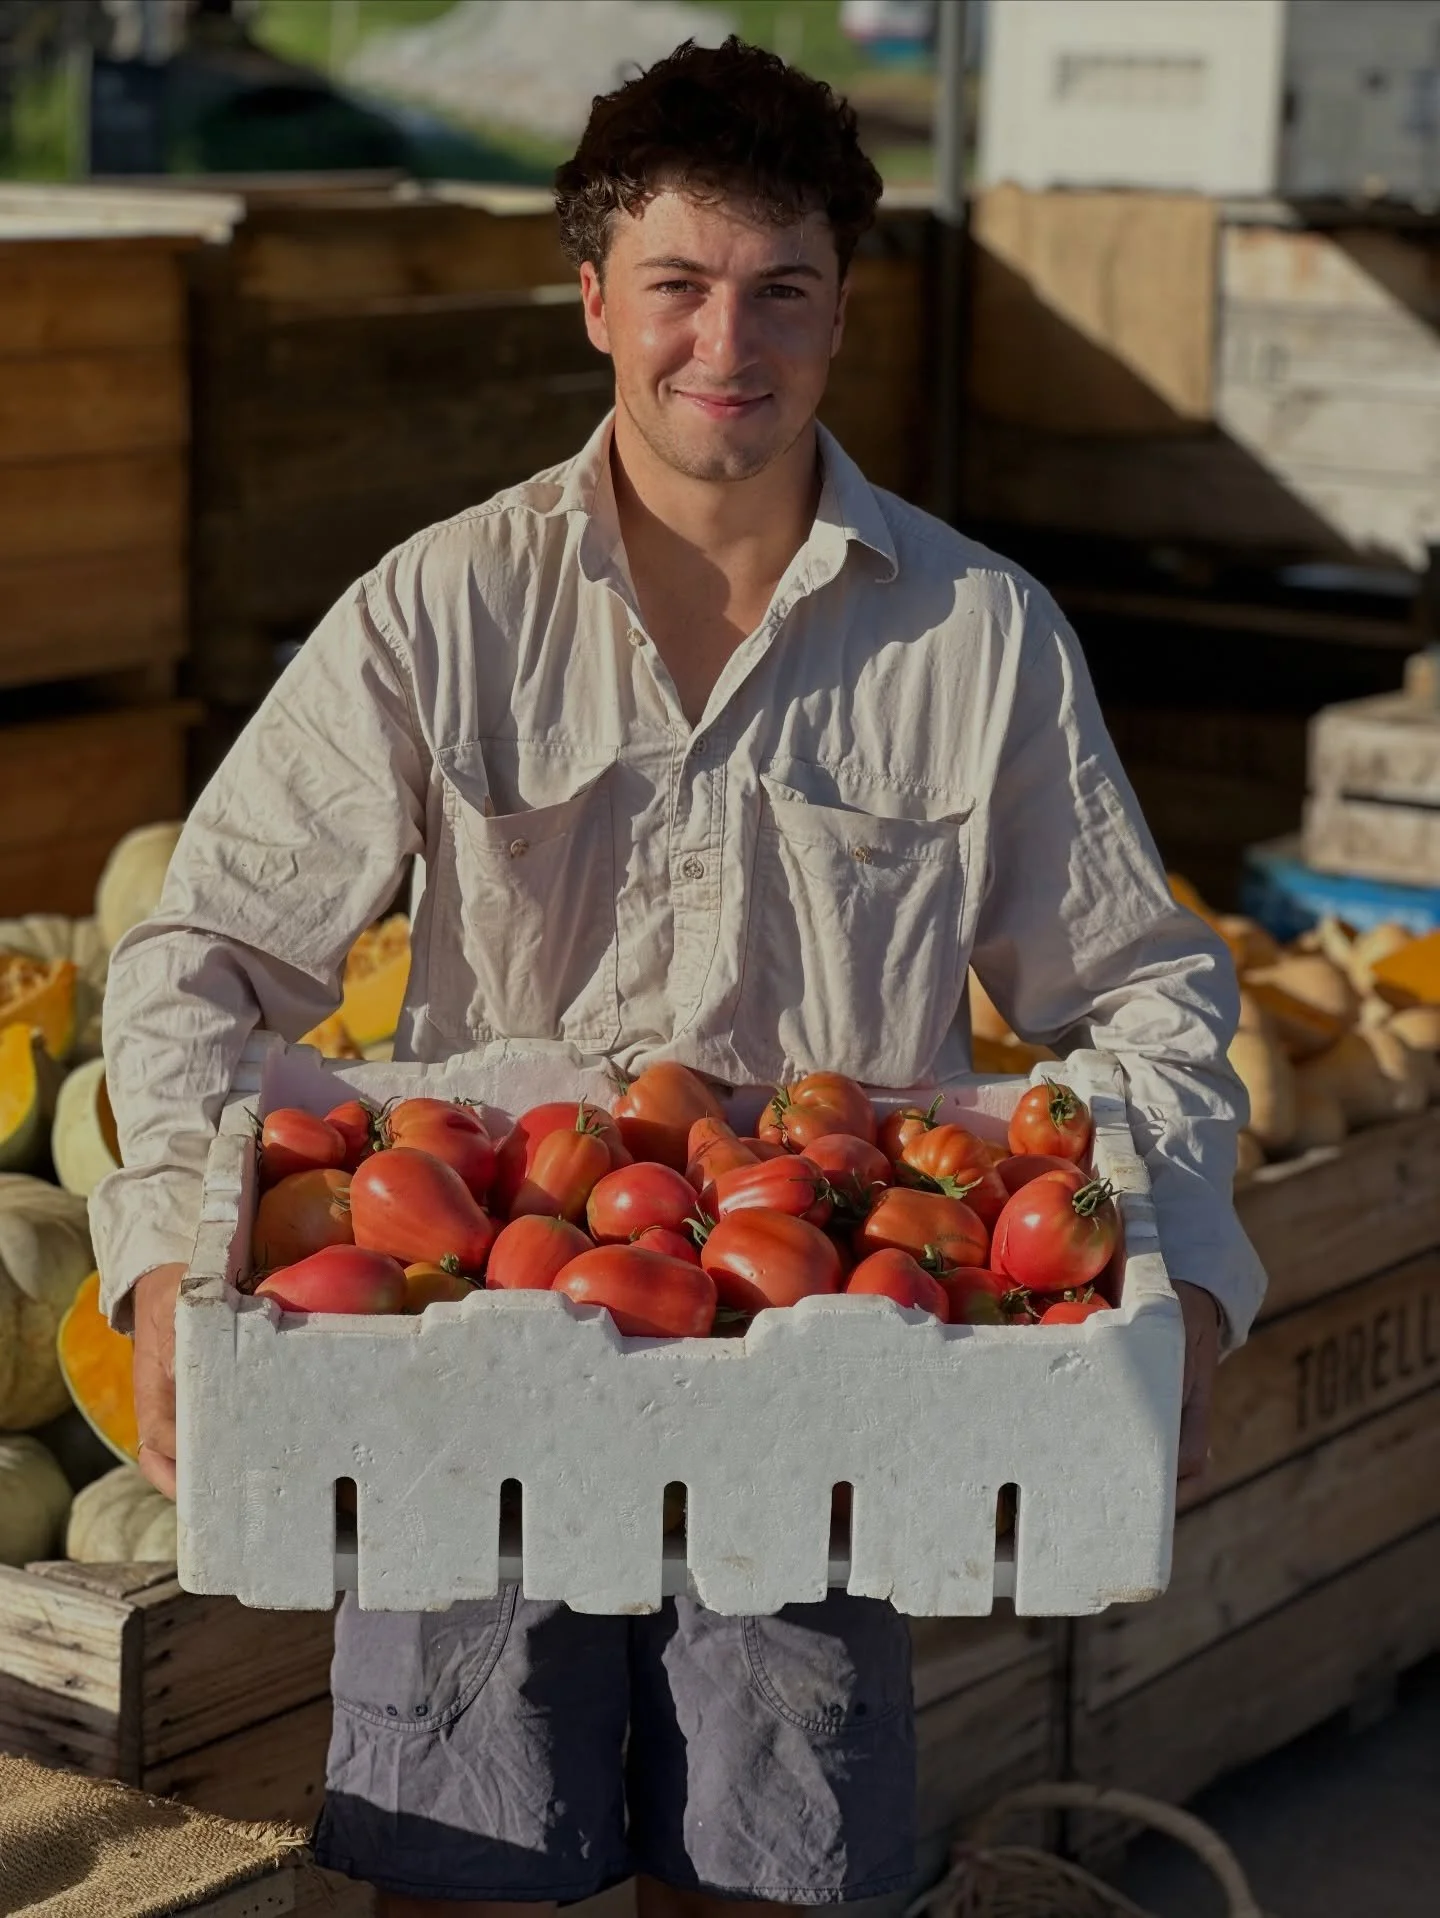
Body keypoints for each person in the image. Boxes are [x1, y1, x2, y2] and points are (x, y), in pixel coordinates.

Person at [92, 34, 1265, 1918]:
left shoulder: (977, 637)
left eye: (782, 289)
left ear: (841, 315)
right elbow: (194, 957)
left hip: (820, 1393)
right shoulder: (441, 608)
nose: (730, 339)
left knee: (783, 1878)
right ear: (593, 304)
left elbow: (1144, 989)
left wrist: (1186, 1264)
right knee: (458, 1876)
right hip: (466, 1376)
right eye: (681, 286)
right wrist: (165, 1251)